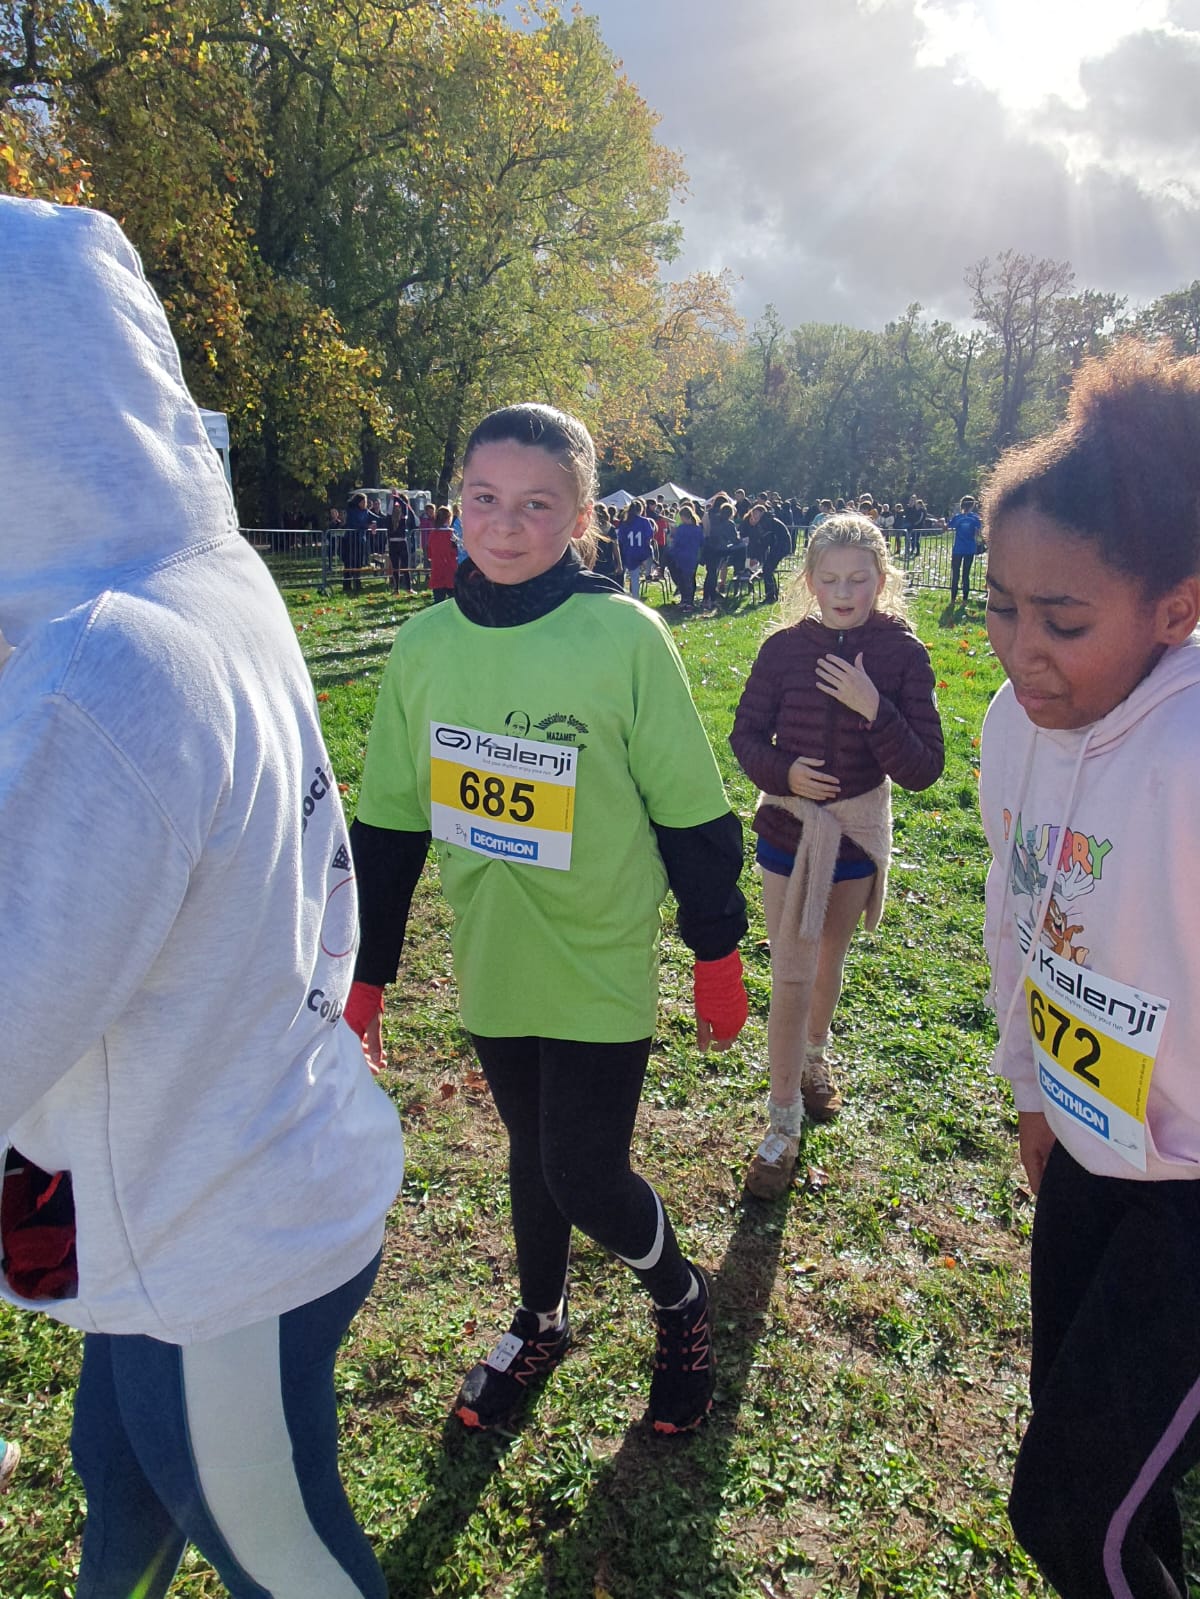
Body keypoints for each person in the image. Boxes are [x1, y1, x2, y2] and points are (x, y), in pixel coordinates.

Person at [0, 198, 404, 1597]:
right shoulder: (200, 575)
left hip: (215, 1233)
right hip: (215, 1165)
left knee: (286, 1558)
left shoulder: (105, 670)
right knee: (120, 1472)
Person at [346, 402, 749, 1436]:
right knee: (531, 1148)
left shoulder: (624, 636)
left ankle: (682, 1298)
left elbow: (692, 813)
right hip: (495, 950)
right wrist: (367, 971)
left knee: (584, 1170)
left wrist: (716, 949)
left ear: (580, 518)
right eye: (485, 498)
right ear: (456, 506)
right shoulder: (424, 646)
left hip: (599, 952)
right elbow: (387, 827)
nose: (506, 523)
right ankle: (541, 1319)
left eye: (537, 504)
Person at [979, 341, 1200, 1599]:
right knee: (1113, 1487)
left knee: (1071, 1519)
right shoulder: (1013, 727)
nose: (1023, 652)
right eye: (1001, 606)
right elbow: (1017, 919)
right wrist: (1032, 1090)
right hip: (1086, 1155)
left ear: (1177, 609)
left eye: (1064, 623)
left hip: (1192, 1200)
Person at [729, 514, 944, 1197]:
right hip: (788, 834)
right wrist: (785, 773)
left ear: (882, 579)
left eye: (858, 579)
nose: (844, 592)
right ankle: (781, 1123)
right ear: (810, 582)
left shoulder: (902, 655)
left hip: (854, 837)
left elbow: (924, 768)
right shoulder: (782, 651)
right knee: (790, 975)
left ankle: (814, 1058)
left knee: (828, 959)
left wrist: (874, 706)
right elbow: (744, 736)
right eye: (830, 579)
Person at [744, 502, 792, 604]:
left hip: (780, 546)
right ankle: (773, 594)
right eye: (753, 514)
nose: (754, 516)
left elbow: (765, 540)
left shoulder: (766, 522)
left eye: (756, 514)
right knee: (768, 569)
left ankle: (770, 596)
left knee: (767, 569)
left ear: (762, 513)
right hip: (779, 546)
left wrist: (757, 554)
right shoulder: (766, 520)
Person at [947, 494, 983, 608]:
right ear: (972, 506)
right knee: (966, 574)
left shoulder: (958, 517)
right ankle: (964, 600)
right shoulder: (975, 518)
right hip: (969, 549)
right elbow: (979, 530)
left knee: (955, 574)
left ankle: (953, 599)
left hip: (958, 549)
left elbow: (948, 526)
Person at [667, 502, 703, 611]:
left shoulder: (682, 528)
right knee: (691, 579)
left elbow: (677, 542)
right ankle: (689, 601)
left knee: (682, 580)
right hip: (693, 557)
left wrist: (672, 539)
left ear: (683, 517)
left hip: (681, 557)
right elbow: (702, 542)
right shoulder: (698, 529)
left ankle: (685, 601)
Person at [618, 496, 655, 598]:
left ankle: (628, 597)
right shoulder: (645, 521)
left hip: (628, 553)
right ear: (641, 510)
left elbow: (621, 539)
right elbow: (649, 538)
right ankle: (648, 573)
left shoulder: (625, 522)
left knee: (629, 577)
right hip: (641, 552)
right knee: (651, 551)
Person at [342, 492, 374, 593]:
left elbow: (376, 518)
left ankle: (357, 583)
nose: (365, 503)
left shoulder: (366, 511)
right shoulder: (351, 510)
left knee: (358, 563)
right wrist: (367, 526)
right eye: (364, 501)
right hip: (350, 540)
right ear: (358, 502)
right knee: (349, 563)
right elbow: (353, 523)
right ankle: (347, 585)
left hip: (360, 541)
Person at [427, 503, 458, 602]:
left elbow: (429, 552)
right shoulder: (451, 534)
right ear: (448, 518)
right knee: (454, 601)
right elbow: (455, 551)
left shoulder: (433, 534)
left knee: (438, 601)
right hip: (450, 570)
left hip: (437, 569)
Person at [388, 492, 415, 592]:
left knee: (396, 568)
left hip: (392, 544)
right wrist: (397, 498)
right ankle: (408, 588)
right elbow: (404, 506)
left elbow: (392, 509)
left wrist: (393, 499)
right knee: (404, 567)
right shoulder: (403, 518)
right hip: (401, 543)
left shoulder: (389, 517)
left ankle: (396, 589)